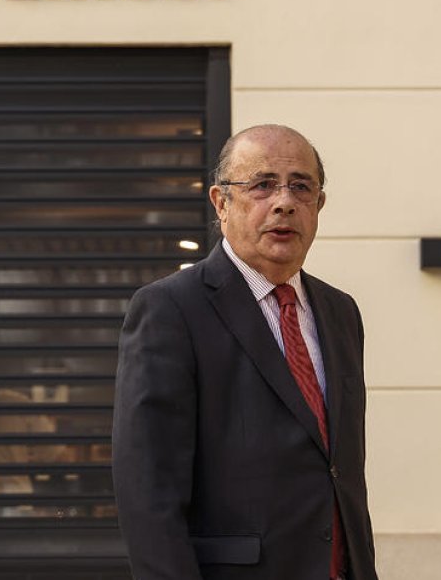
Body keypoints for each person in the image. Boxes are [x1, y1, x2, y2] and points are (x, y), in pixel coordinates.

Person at [111, 124, 378, 580]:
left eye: (301, 186)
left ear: (319, 205)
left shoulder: (340, 312)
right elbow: (148, 490)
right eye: (262, 185)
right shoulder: (171, 308)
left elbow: (338, 469)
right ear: (221, 202)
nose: (284, 201)